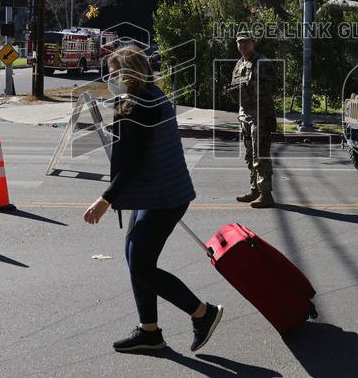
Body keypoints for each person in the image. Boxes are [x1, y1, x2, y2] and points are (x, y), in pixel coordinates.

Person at [83, 45, 223, 353]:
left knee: (142, 266)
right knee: (136, 259)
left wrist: (105, 200)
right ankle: (150, 332)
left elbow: (133, 163)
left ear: (130, 74)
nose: (111, 78)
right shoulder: (147, 97)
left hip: (163, 196)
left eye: (116, 72)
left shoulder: (140, 104)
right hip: (158, 192)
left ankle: (203, 313)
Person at [228, 30, 276, 208]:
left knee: (260, 154)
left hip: (260, 114)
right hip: (245, 114)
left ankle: (266, 194)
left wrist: (251, 95)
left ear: (252, 43)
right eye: (239, 42)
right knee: (250, 155)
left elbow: (271, 86)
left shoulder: (262, 62)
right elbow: (235, 87)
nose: (242, 45)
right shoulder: (239, 64)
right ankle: (254, 190)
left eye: (246, 42)